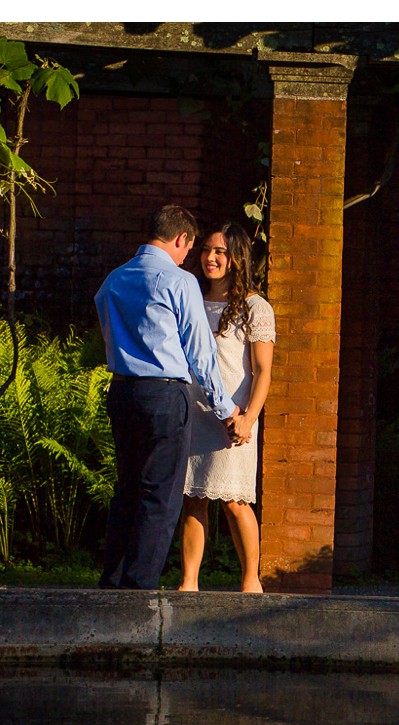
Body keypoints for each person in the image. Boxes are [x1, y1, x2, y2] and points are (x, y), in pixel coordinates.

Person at [95, 205, 246, 589]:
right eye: (188, 249)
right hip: (163, 395)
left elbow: (107, 329)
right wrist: (226, 408)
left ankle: (112, 581)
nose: (187, 258)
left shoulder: (113, 279)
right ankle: (138, 588)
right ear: (182, 239)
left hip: (122, 391)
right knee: (160, 495)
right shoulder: (178, 282)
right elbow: (200, 353)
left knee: (127, 487)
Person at [177, 222, 275, 593]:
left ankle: (251, 581)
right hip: (194, 413)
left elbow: (263, 371)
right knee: (193, 499)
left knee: (234, 501)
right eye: (206, 251)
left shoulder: (255, 307)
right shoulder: (191, 299)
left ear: (236, 258)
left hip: (234, 419)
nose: (211, 258)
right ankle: (188, 582)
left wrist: (249, 418)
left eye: (220, 252)